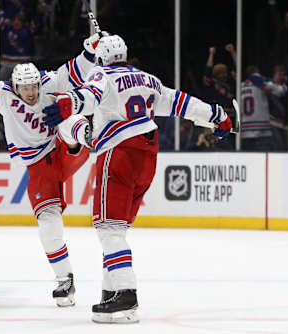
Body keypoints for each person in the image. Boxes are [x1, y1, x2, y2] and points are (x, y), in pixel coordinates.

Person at [41, 34, 232, 323]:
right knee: (117, 230)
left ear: (102, 57)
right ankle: (110, 292)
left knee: (108, 228)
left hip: (118, 152)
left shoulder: (101, 74)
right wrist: (216, 115)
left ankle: (126, 295)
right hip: (148, 154)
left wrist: (68, 103)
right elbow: (179, 102)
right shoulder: (148, 79)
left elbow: (88, 97)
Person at [0, 32, 102, 307]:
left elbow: (74, 71)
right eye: (24, 88)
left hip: (66, 149)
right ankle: (65, 281)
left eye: (33, 86)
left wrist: (89, 51)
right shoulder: (5, 96)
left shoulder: (48, 84)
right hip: (41, 168)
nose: (30, 92)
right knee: (48, 226)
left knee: (63, 109)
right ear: (15, 86)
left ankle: (86, 133)